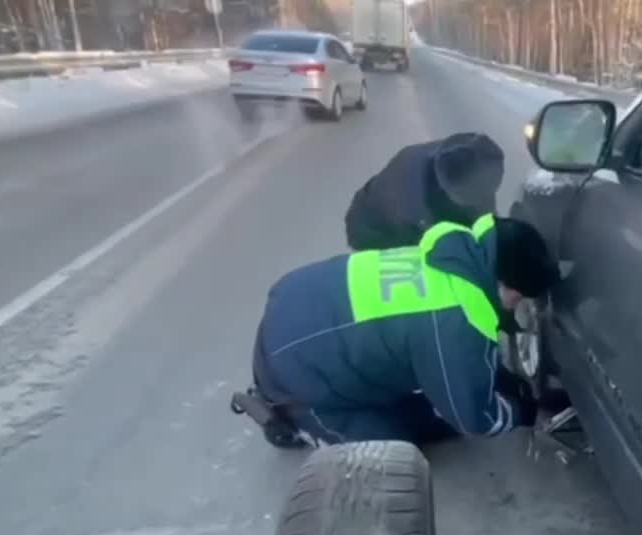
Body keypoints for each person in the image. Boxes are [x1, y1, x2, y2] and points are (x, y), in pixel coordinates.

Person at [234, 212, 559, 448]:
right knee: (393, 451)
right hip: (296, 381)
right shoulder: (457, 321)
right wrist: (524, 411)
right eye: (519, 297)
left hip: (290, 313)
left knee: (424, 394)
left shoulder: (451, 256)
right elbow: (475, 419)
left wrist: (497, 376)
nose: (515, 305)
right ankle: (290, 423)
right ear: (503, 283)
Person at [344, 132, 505, 251]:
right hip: (373, 229)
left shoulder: (468, 153)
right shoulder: (411, 196)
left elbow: (486, 220)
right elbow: (434, 248)